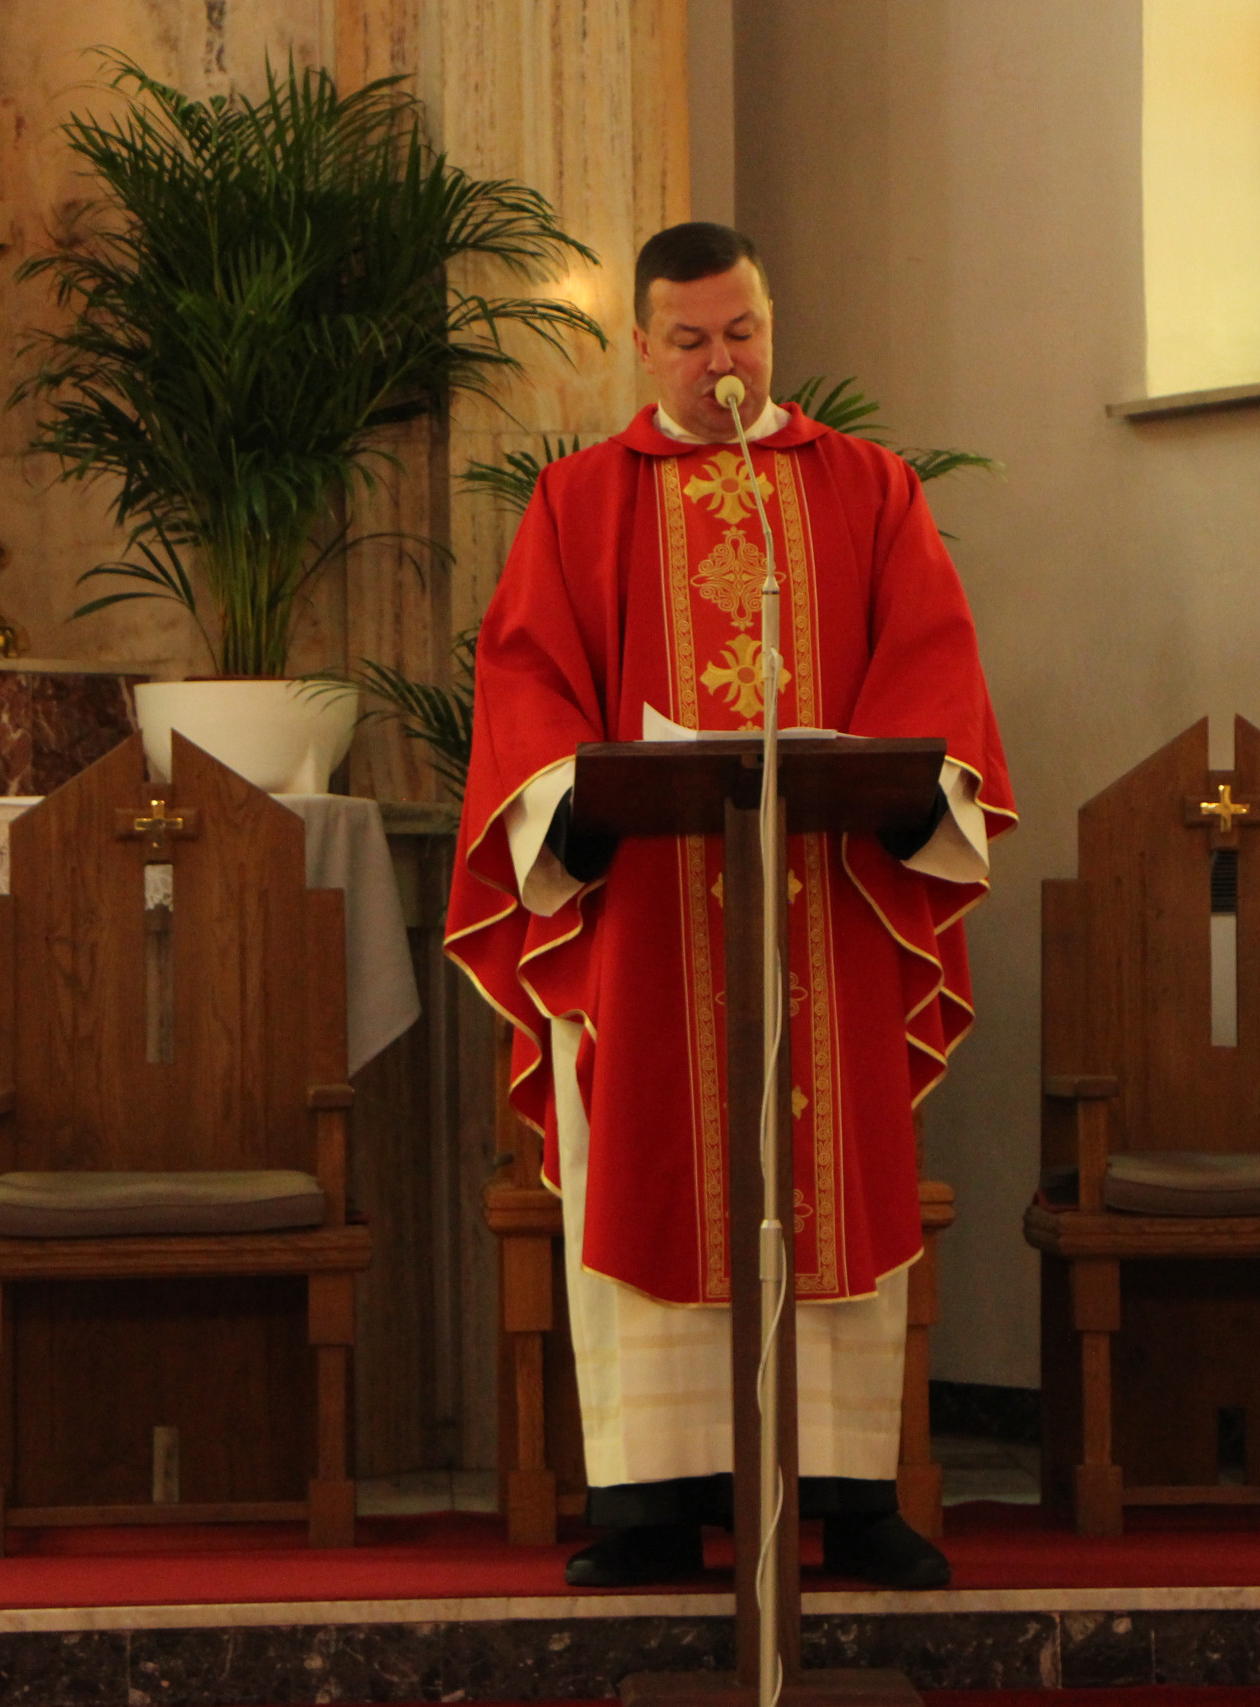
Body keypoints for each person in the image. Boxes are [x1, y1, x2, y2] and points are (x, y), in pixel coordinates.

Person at [446, 222, 1014, 1590]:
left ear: (772, 329)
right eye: (692, 340)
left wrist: (904, 787)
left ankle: (852, 1494)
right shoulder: (580, 502)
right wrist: (567, 800)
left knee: (837, 1171)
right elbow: (526, 681)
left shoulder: (867, 488)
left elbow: (932, 657)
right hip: (644, 921)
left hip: (829, 907)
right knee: (647, 1161)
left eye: (743, 334)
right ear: (643, 347)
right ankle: (648, 1500)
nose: (723, 365)